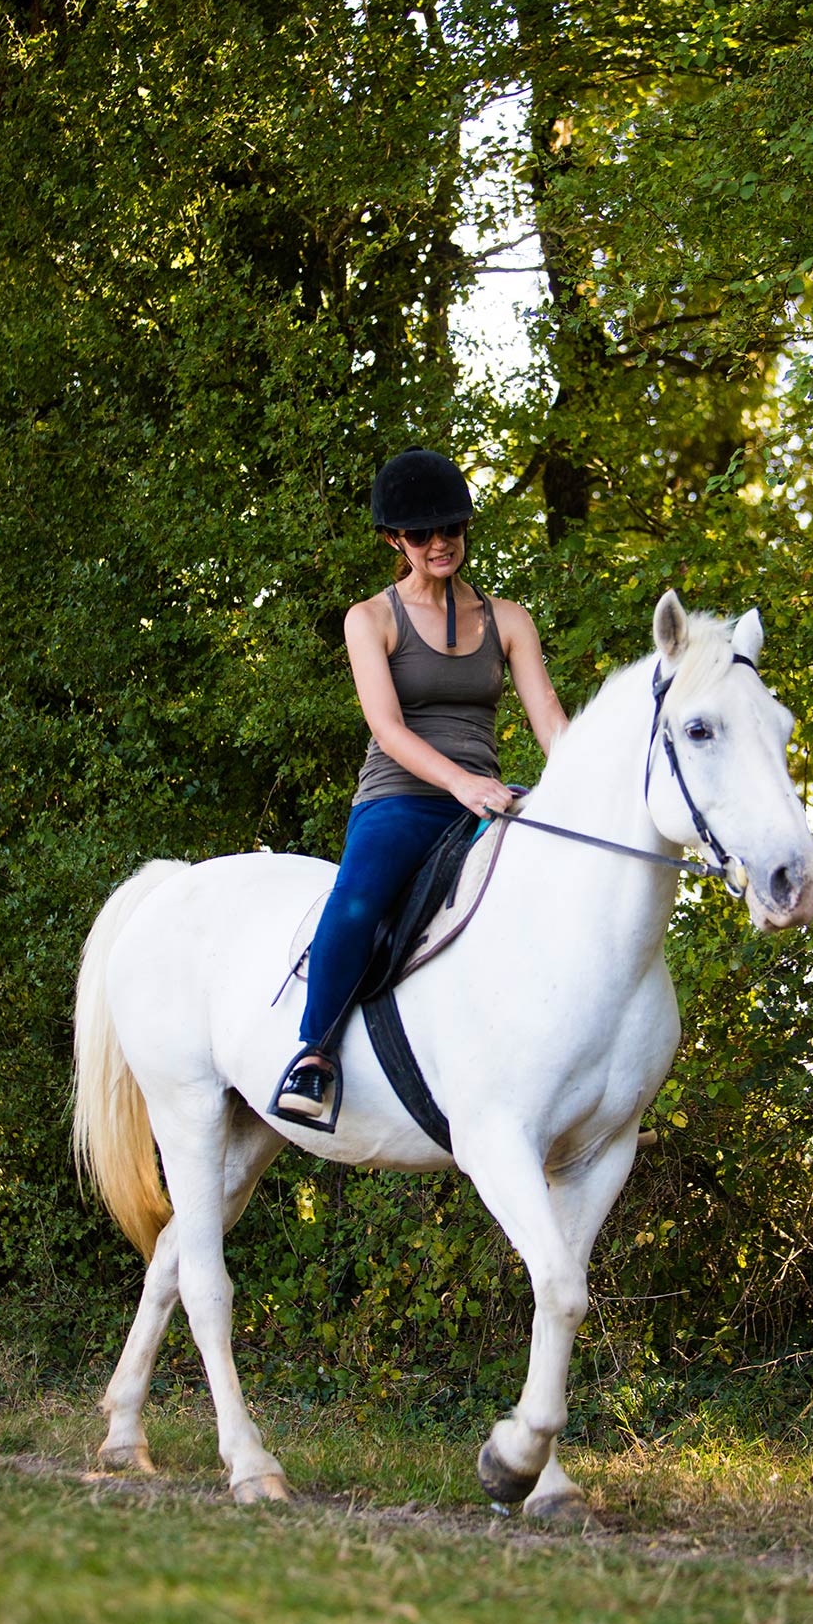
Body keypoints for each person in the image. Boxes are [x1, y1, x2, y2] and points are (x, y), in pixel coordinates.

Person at [268, 446, 569, 1120]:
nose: (440, 544)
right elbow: (388, 727)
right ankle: (313, 1053)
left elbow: (547, 716)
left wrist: (581, 786)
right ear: (393, 541)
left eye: (451, 530)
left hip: (487, 801)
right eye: (421, 534)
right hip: (400, 799)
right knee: (356, 899)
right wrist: (465, 785)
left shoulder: (508, 618)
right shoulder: (369, 619)